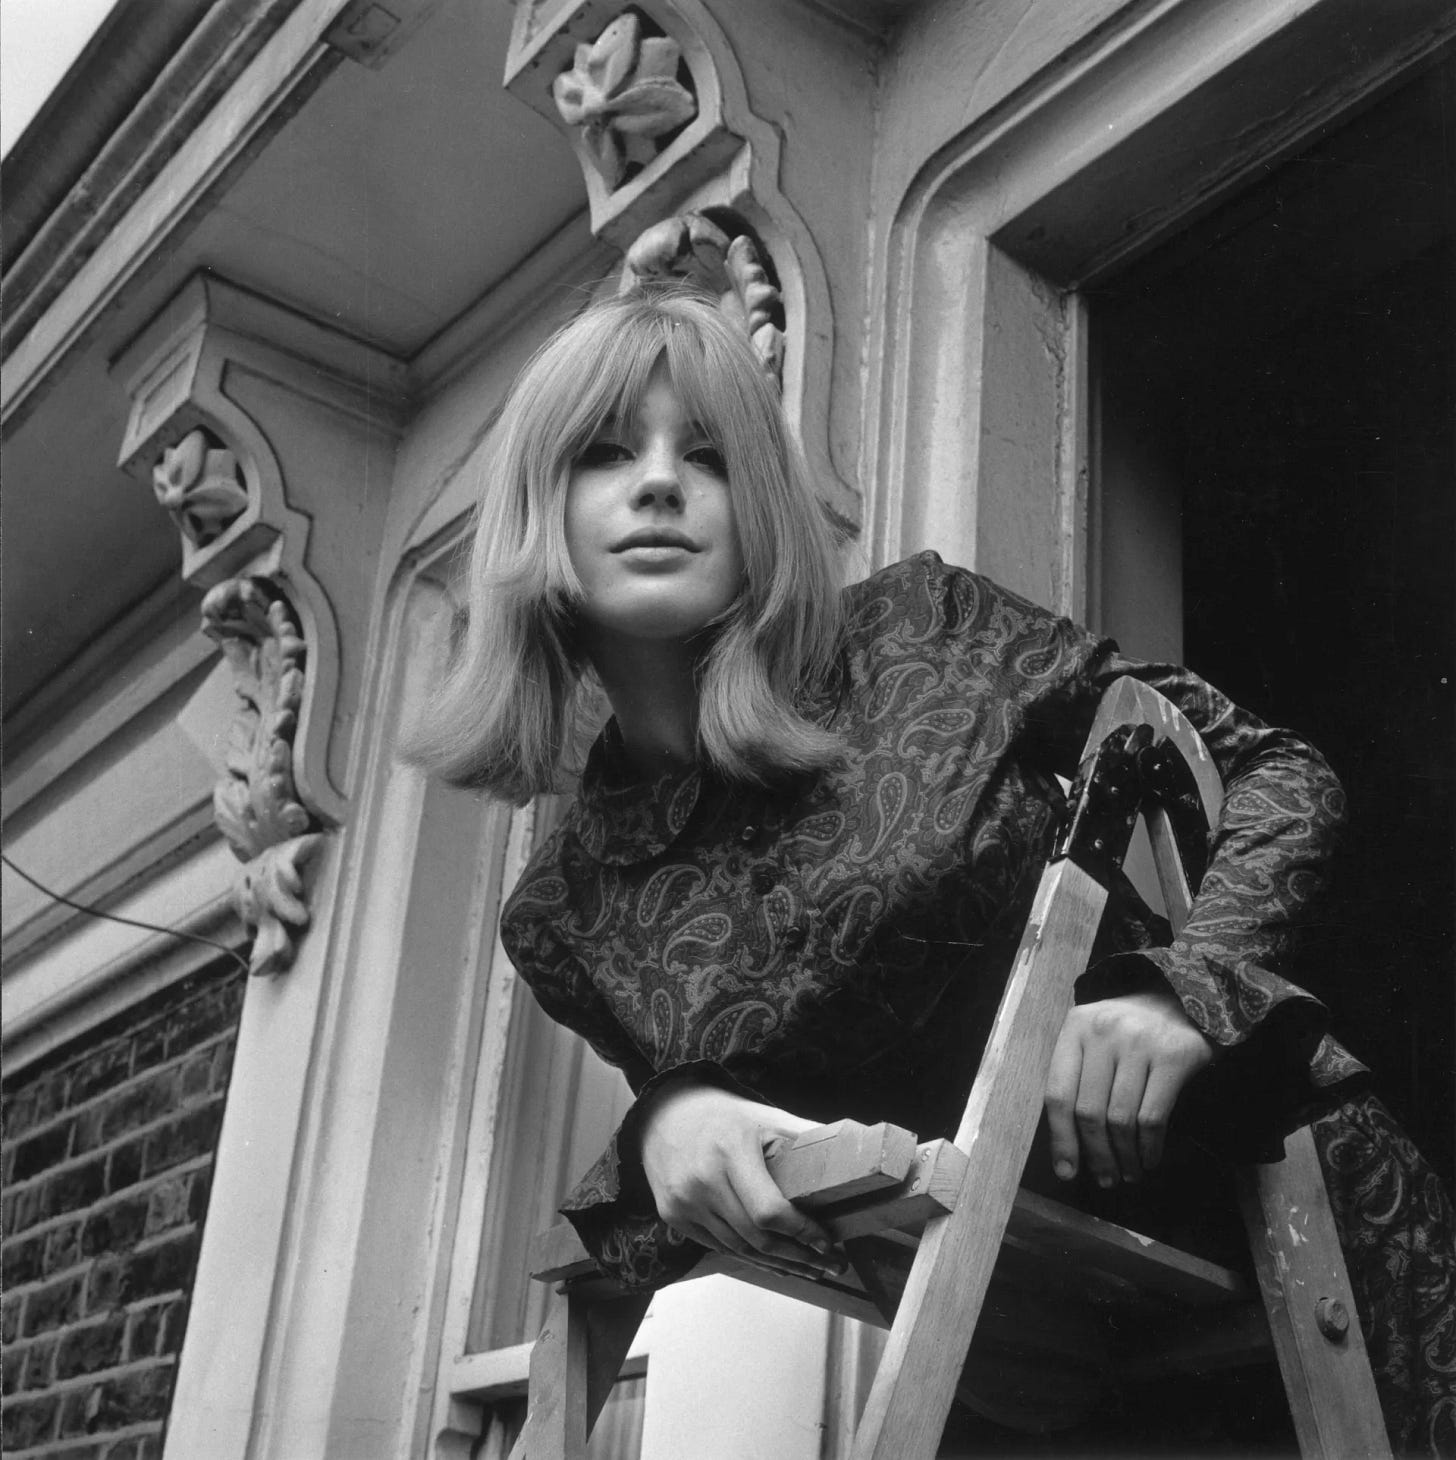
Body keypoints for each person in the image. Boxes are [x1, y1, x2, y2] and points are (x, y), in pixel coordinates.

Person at [410, 286, 1454, 1454]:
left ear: (758, 502)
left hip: (1293, 1229)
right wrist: (670, 1119)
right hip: (1038, 1352)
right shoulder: (562, 917)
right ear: (535, 508)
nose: (658, 483)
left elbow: (1275, 768)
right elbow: (748, 1149)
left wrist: (1185, 988)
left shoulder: (921, 626)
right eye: (604, 453)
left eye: (707, 456)